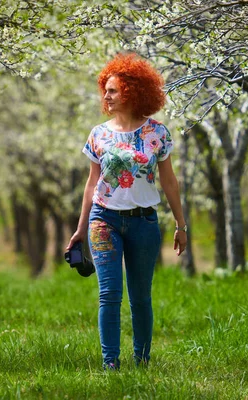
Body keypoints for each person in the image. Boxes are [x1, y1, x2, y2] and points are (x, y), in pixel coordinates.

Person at [66, 52, 187, 371]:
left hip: (144, 223)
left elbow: (169, 181)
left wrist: (181, 223)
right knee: (109, 295)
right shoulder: (98, 134)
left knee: (140, 298)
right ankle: (110, 366)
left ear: (133, 91)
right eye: (105, 89)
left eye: (113, 90)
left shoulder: (158, 133)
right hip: (103, 221)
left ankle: (143, 363)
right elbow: (91, 184)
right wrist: (80, 229)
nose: (106, 95)